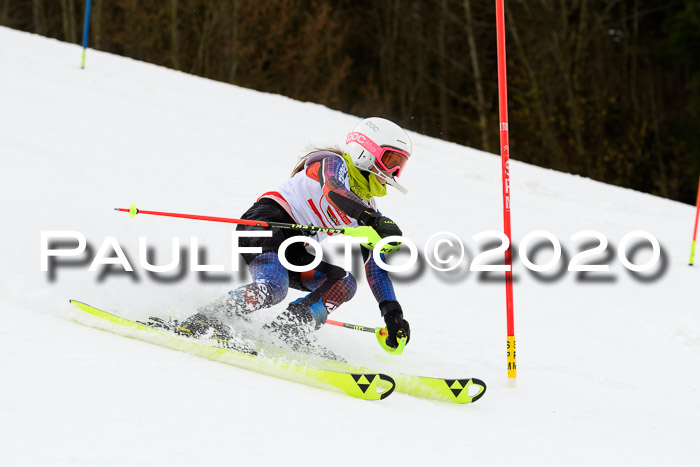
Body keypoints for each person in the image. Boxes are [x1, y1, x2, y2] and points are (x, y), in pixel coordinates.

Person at [182, 117, 412, 350]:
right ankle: (209, 317)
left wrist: (392, 313)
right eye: (390, 160)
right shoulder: (332, 163)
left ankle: (285, 331)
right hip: (264, 223)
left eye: (400, 165)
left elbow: (375, 267)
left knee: (343, 282)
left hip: (294, 246)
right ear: (366, 152)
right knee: (274, 287)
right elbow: (333, 188)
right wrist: (371, 219)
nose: (393, 172)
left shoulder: (366, 206)